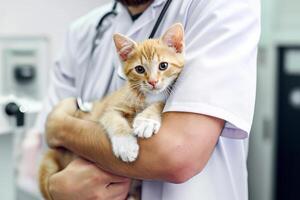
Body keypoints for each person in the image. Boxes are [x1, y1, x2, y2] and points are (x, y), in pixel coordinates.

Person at [36, 0, 260, 199]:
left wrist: (62, 128)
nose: (153, 80)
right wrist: (53, 188)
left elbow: (175, 154)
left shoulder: (221, 5)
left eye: (162, 67)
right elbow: (48, 148)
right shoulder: (82, 30)